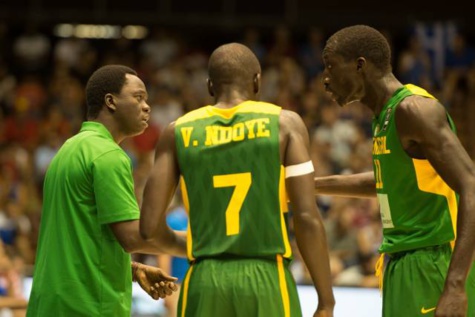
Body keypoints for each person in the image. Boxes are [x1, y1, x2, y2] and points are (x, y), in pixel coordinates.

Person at [140, 42, 335, 317]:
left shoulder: (177, 132)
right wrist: (326, 301)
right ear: (257, 82)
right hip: (267, 277)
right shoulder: (285, 124)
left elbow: (148, 228)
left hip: (203, 279)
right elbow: (306, 217)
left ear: (210, 86)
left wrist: (192, 245)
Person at [316, 24, 475, 317]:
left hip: (431, 261)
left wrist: (455, 285)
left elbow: (471, 186)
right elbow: (385, 181)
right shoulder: (384, 117)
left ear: (360, 65)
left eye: (330, 67)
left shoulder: (414, 110)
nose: (325, 79)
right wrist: (310, 185)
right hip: (403, 260)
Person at [26, 65, 181, 317]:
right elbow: (132, 237)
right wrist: (200, 242)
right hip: (87, 307)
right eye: (138, 97)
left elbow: (79, 237)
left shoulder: (67, 150)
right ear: (111, 101)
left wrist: (131, 269)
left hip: (49, 304)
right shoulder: (109, 155)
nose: (147, 106)